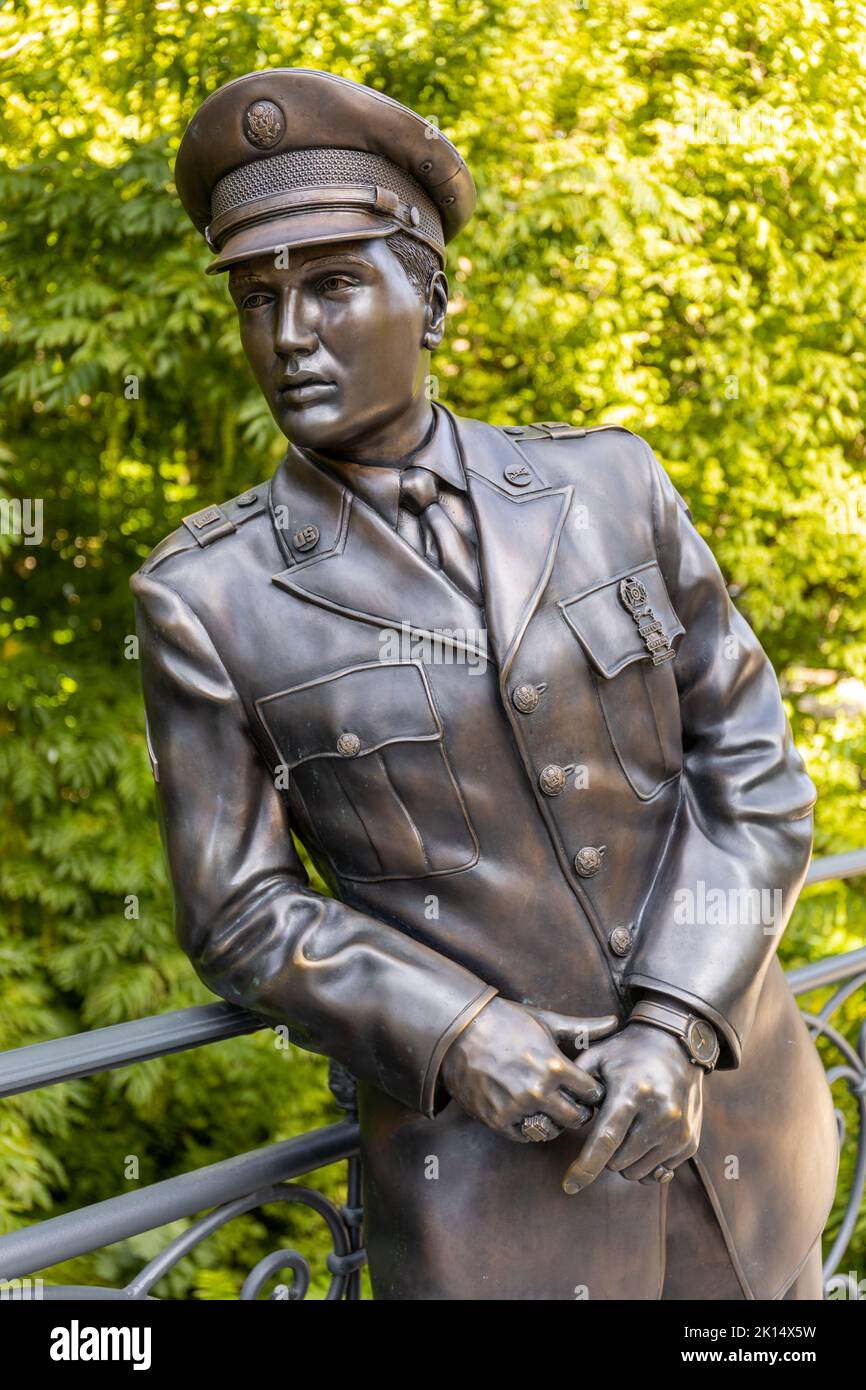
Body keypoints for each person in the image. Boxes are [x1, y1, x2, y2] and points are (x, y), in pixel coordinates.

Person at [130, 68, 839, 1299]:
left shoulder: (613, 488)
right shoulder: (208, 599)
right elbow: (239, 910)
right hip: (499, 1200)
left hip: (741, 1134)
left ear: (431, 295)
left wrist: (674, 1022)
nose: (288, 335)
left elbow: (754, 775)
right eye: (258, 300)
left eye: (333, 285)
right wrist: (451, 1030)